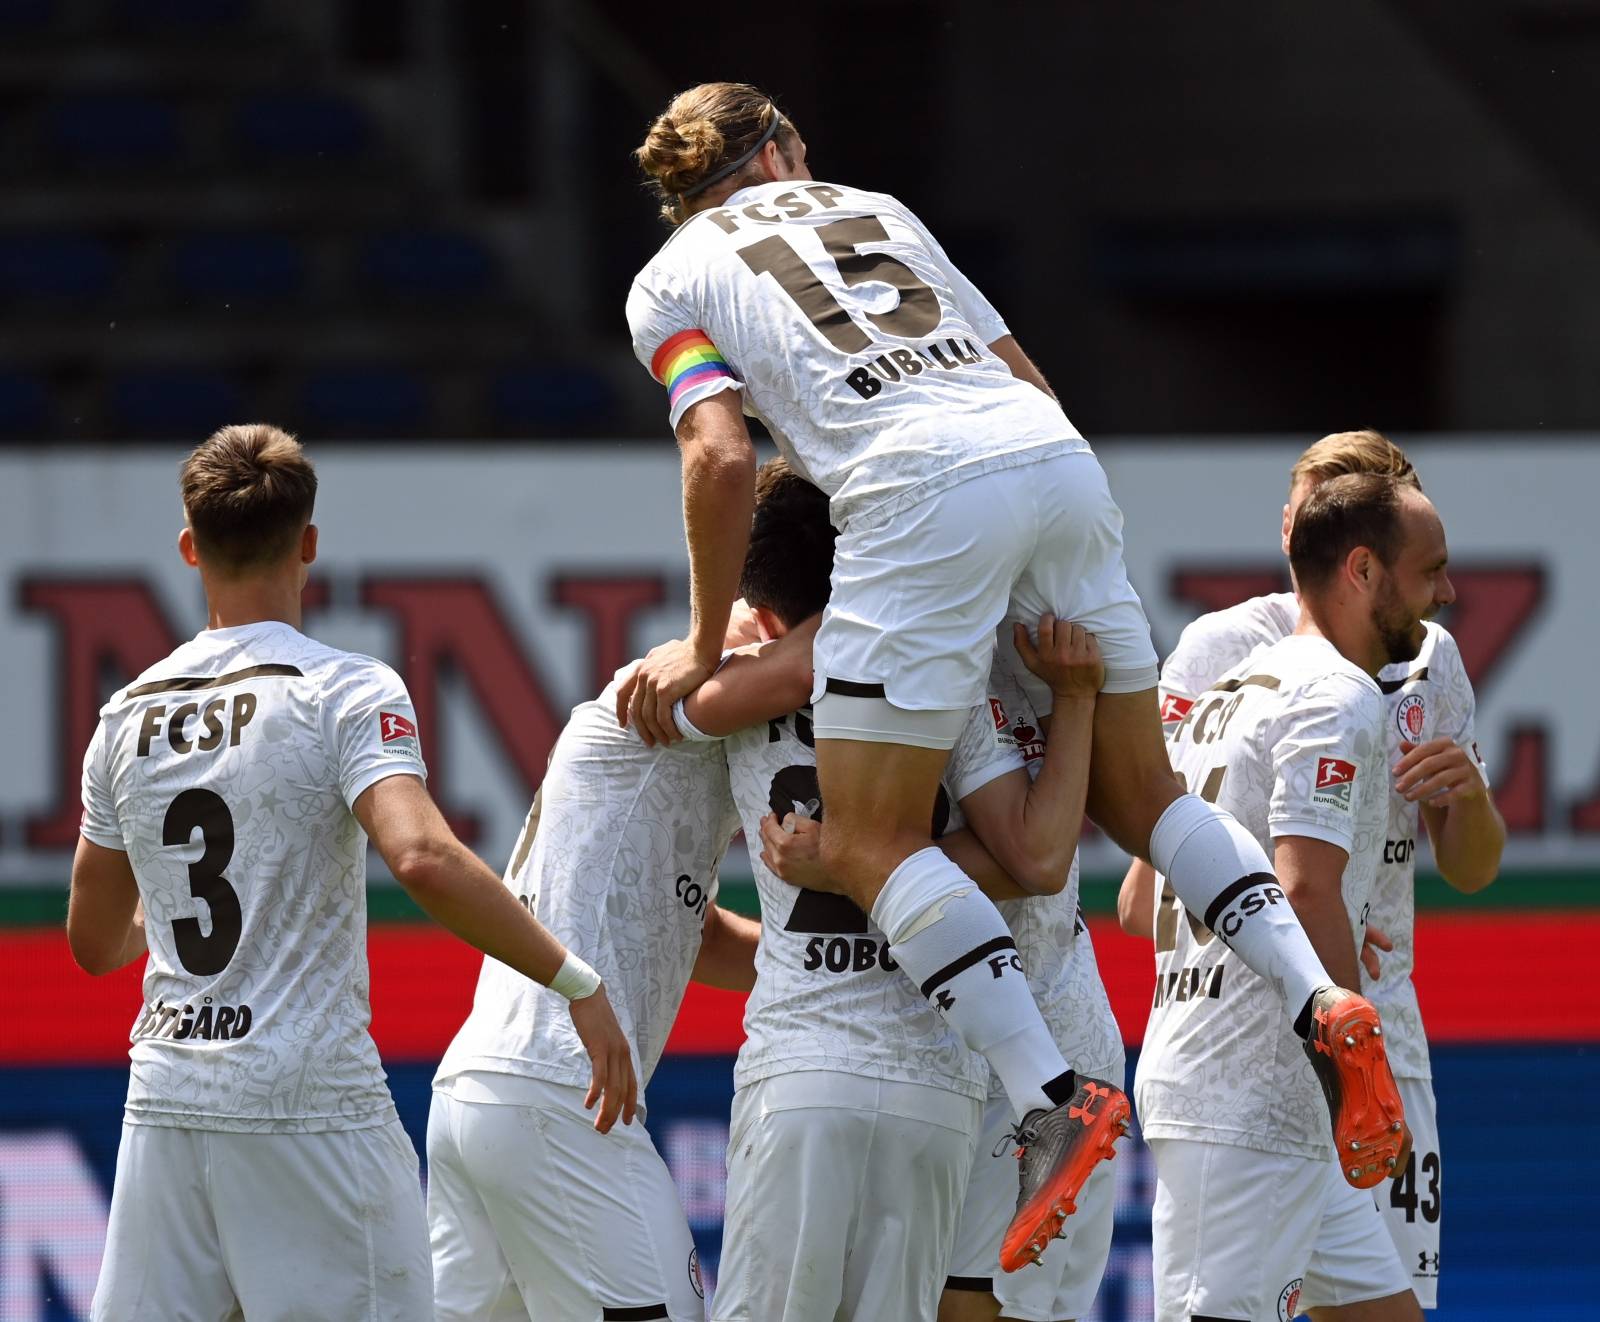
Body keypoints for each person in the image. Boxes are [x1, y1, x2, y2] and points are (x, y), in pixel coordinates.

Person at [621, 79, 1401, 1260]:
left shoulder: (670, 276)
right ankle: (1319, 998)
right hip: (1052, 458)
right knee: (1148, 801)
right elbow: (1024, 375)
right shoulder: (874, 208)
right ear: (780, 148)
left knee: (873, 837)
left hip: (912, 491)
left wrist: (697, 633)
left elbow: (720, 453)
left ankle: (1052, 1097)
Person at [67, 424, 636, 1322]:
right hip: (310, 1109)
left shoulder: (124, 715)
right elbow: (420, 855)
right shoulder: (344, 690)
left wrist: (181, 912)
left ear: (189, 549)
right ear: (309, 546)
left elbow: (94, 944)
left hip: (168, 1105)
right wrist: (574, 978)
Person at [673, 460, 1114, 1319]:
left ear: (760, 606)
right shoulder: (946, 670)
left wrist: (693, 653)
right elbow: (1036, 855)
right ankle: (1052, 1093)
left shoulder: (724, 681)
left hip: (807, 1067)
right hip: (939, 1079)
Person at [1120, 430, 1503, 1312]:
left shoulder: (1424, 658)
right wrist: (1304, 935)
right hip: (1284, 1045)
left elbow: (1467, 867)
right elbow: (1160, 897)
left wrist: (1472, 801)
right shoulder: (1246, 658)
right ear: (1353, 559)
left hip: (1366, 1036)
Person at [426, 637, 767, 1320]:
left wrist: (844, 959)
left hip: (483, 1089)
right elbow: (815, 655)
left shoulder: (667, 745)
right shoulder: (677, 696)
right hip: (558, 1090)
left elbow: (694, 937)